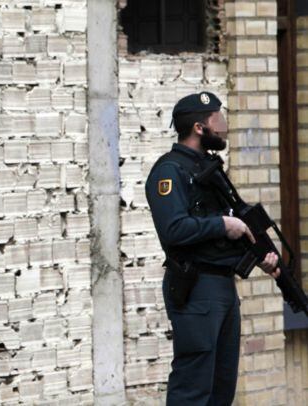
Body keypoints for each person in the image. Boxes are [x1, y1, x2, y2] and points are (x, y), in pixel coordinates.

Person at [145, 92, 280, 405]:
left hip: (221, 285)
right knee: (193, 389)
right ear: (198, 127)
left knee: (221, 389)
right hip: (196, 287)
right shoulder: (169, 171)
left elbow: (227, 230)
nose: (223, 125)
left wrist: (258, 257)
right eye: (217, 118)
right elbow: (174, 229)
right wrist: (222, 224)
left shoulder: (207, 169)